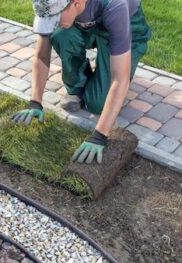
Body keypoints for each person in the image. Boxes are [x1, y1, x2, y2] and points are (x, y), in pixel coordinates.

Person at [11, 0, 151, 164]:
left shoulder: (115, 6)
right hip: (83, 22)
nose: (51, 23)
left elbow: (120, 78)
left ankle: (101, 78)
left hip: (126, 24)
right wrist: (35, 101)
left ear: (76, 3)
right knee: (60, 34)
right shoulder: (52, 4)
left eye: (55, 18)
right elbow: (41, 56)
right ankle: (78, 85)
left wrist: (100, 135)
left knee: (98, 104)